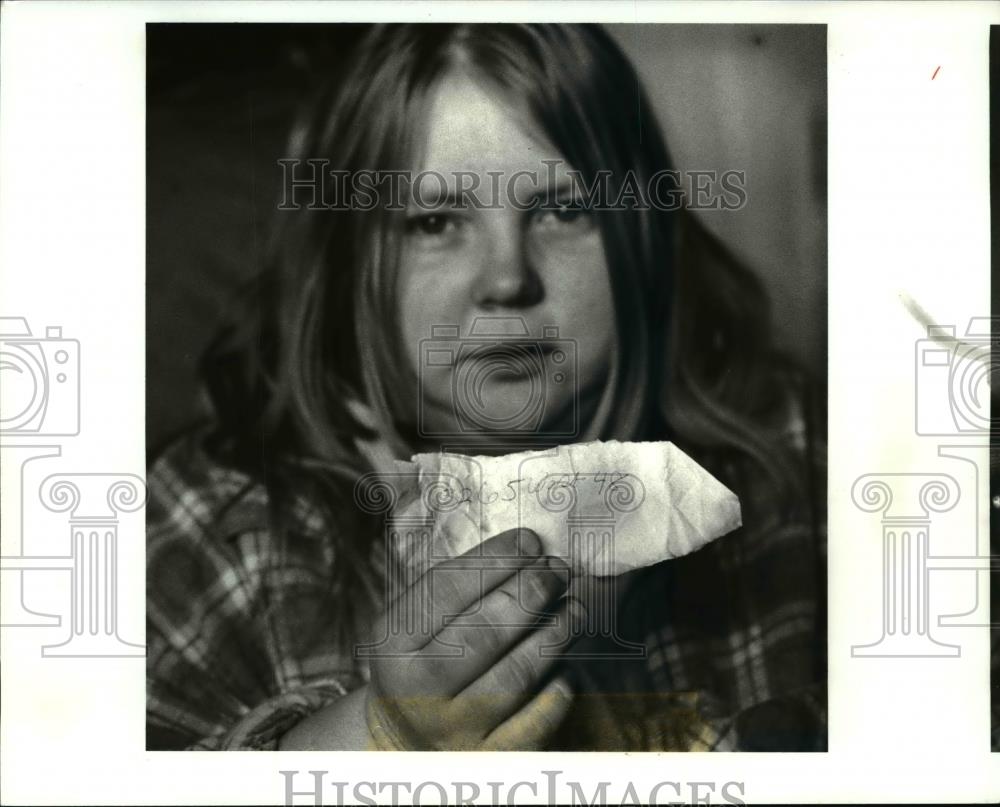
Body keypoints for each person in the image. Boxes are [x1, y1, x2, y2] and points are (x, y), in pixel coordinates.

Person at [146, 22, 826, 751]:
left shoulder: (794, 454)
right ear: (345, 265)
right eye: (435, 221)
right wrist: (377, 739)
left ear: (645, 239)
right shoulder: (211, 532)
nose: (507, 278)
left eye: (565, 210)